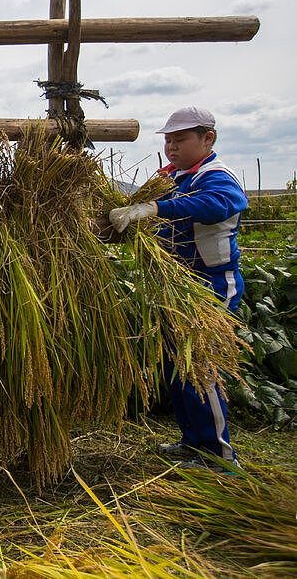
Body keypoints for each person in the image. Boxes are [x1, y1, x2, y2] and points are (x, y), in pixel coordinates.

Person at [110, 106, 247, 471]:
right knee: (176, 367)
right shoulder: (170, 175)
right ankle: (192, 443)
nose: (172, 147)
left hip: (211, 285)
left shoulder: (215, 177)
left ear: (208, 139)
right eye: (168, 139)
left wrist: (155, 207)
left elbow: (219, 205)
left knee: (200, 367)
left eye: (181, 139)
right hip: (175, 286)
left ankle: (220, 455)